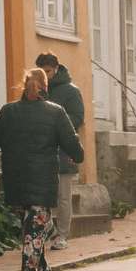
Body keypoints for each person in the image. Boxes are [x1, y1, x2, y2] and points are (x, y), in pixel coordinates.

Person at [0, 67, 84, 271]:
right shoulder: (56, 112)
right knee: (37, 225)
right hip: (42, 180)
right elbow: (73, 146)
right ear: (45, 86)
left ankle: (41, 265)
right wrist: (77, 154)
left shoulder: (8, 111)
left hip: (14, 180)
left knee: (32, 225)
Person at [35, 51, 84, 250]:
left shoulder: (71, 91)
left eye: (48, 71)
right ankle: (50, 230)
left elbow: (77, 118)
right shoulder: (36, 87)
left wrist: (55, 126)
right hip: (41, 149)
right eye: (42, 71)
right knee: (41, 195)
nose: (45, 75)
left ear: (56, 68)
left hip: (63, 149)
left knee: (63, 195)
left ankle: (63, 234)